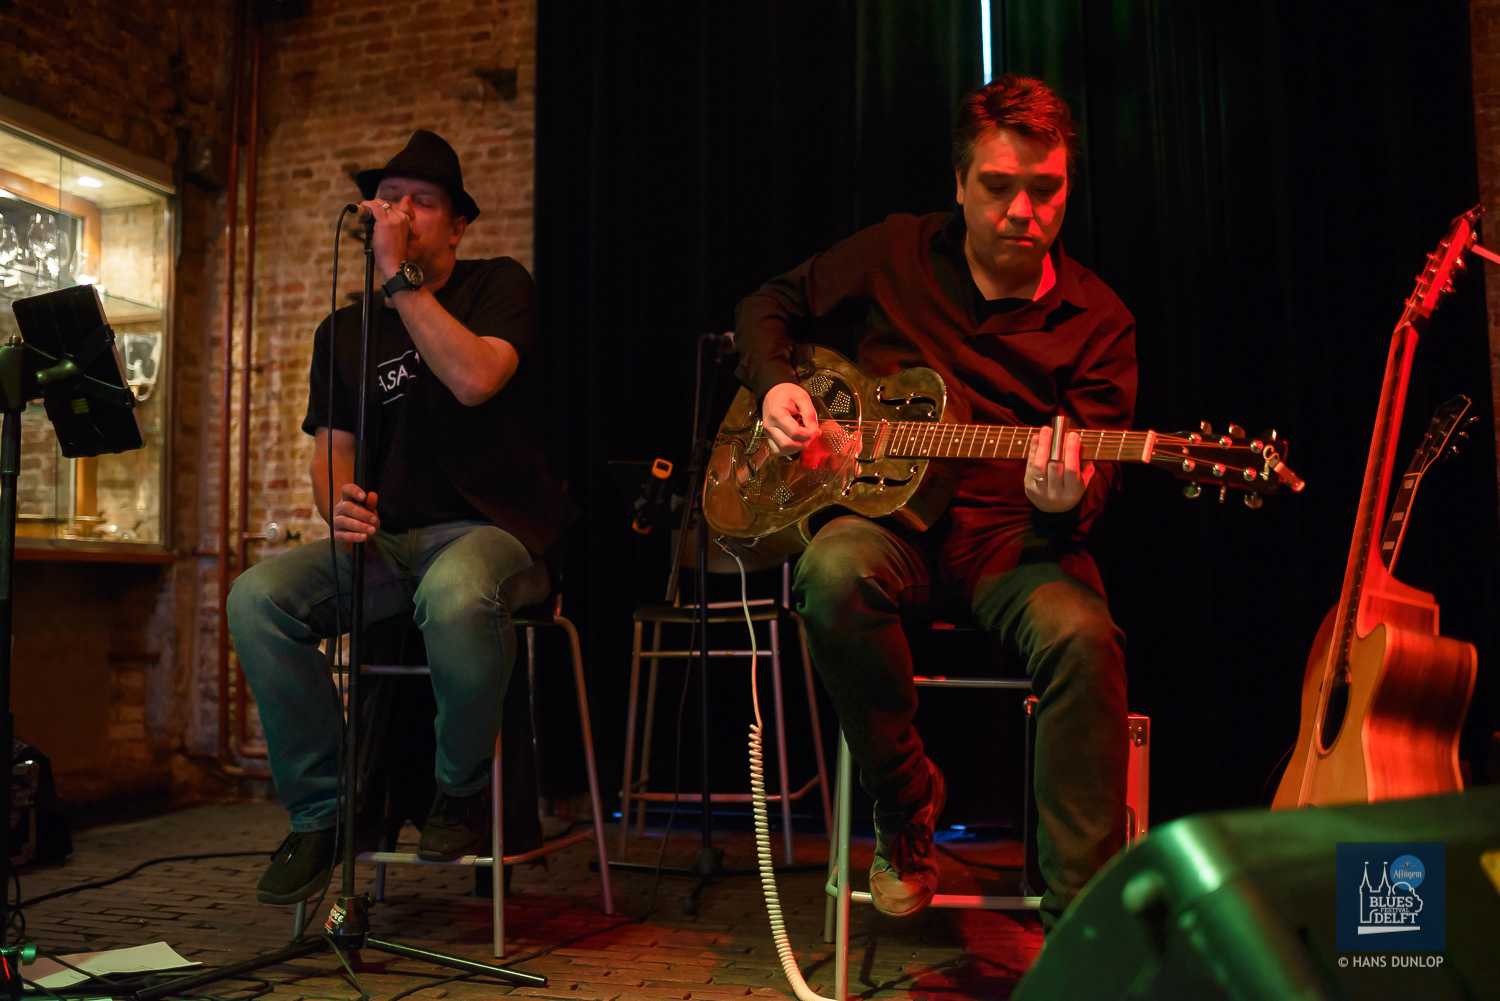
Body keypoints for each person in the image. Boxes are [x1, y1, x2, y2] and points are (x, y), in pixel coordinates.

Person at [733, 76, 1136, 930]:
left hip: (1015, 541)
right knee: (830, 572)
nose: (1023, 210)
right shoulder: (895, 251)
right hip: (888, 527)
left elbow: (1093, 484)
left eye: (1046, 189)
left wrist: (1064, 500)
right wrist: (773, 385)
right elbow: (767, 303)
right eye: (998, 186)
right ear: (959, 182)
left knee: (1083, 637)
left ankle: (1082, 925)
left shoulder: (1100, 320)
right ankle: (905, 802)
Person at [227, 130, 567, 905]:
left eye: (423, 201)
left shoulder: (498, 285)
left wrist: (399, 279)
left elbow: (475, 378)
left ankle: (459, 791)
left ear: (457, 226)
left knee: (455, 593)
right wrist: (338, 501)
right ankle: (323, 813)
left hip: (493, 531)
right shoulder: (342, 333)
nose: (402, 211)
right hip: (388, 541)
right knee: (257, 597)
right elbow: (333, 453)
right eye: (389, 198)